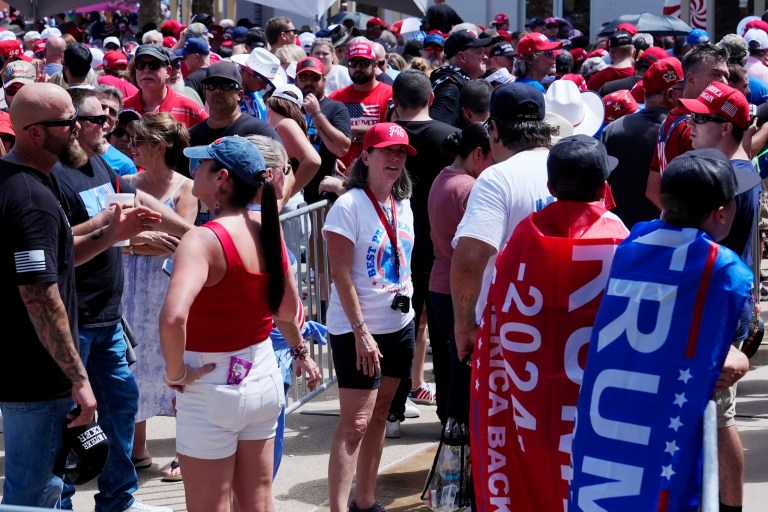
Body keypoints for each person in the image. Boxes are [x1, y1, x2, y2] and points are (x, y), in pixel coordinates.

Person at [569, 149, 757, 511]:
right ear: (721, 214)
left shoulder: (633, 242)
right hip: (662, 431)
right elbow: (725, 358)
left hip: (609, 429)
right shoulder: (723, 269)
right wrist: (740, 359)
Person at [159, 136, 320, 511]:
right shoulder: (266, 227)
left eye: (202, 164)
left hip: (211, 384)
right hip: (261, 376)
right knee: (258, 502)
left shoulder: (202, 240)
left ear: (222, 178)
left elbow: (172, 318)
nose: (194, 169)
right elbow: (287, 309)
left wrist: (176, 373)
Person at [470, 135, 629, 511]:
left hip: (534, 402)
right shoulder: (619, 238)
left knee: (537, 481)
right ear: (604, 187)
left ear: (551, 187)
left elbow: (498, 312)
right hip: (595, 404)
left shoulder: (524, 237)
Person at [54, 87, 172, 512]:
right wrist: (107, 224)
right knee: (69, 418)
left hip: (108, 318)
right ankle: (60, 503)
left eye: (110, 117)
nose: (108, 125)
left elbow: (120, 223)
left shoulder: (103, 165)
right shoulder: (53, 174)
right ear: (73, 125)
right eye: (97, 118)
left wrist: (147, 232)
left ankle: (118, 499)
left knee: (121, 405)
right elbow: (56, 240)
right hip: (73, 319)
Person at [0, 82, 99, 508]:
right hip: (36, 381)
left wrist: (112, 232)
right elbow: (39, 294)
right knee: (33, 497)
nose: (77, 128)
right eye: (67, 122)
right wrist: (78, 379)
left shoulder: (23, 180)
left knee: (41, 492)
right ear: (35, 133)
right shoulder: (29, 197)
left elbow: (56, 260)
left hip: (27, 374)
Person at [323, 123, 417, 512]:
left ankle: (365, 500)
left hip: (399, 326)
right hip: (358, 331)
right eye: (387, 151)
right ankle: (337, 508)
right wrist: (362, 332)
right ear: (365, 157)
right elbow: (340, 275)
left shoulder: (403, 202)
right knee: (355, 424)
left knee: (380, 415)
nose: (395, 158)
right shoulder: (349, 206)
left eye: (401, 153)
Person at [678, 81, 760, 510]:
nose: (689, 125)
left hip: (718, 314)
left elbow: (716, 256)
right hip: (724, 308)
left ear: (726, 127)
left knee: (721, 416)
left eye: (700, 118)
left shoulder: (734, 179)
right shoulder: (734, 171)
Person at [451, 83, 555, 361]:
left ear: (494, 129)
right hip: (561, 320)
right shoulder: (566, 166)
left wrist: (464, 327)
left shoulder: (496, 178)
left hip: (507, 329)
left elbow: (468, 260)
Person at [122, 113, 198, 479]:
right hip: (127, 287)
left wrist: (133, 242)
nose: (131, 147)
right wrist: (138, 243)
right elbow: (116, 235)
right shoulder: (125, 182)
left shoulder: (187, 188)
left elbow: (182, 239)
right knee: (132, 366)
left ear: (159, 147)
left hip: (166, 287)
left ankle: (186, 451)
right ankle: (138, 449)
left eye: (138, 141)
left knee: (173, 364)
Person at [428, 123, 493, 423]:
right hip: (459, 290)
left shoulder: (442, 177)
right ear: (478, 154)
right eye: (492, 158)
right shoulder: (470, 188)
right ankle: (458, 432)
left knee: (447, 363)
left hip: (439, 285)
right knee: (463, 368)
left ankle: (449, 426)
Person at [602, 58, 684, 229]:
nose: (686, 94)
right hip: (668, 229)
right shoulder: (681, 130)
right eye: (682, 89)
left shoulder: (612, 129)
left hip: (621, 230)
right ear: (670, 95)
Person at [646, 44, 729, 207]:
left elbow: (652, 190)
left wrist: (671, 217)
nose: (724, 82)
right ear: (691, 79)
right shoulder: (694, 126)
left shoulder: (672, 117)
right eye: (715, 74)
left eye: (726, 75)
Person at [294, 56, 352, 204]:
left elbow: (342, 149)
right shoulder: (289, 107)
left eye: (315, 78)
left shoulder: (336, 108)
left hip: (321, 194)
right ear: (296, 81)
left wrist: (316, 114)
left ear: (324, 81)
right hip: (292, 192)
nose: (309, 83)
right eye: (303, 77)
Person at [329, 40, 392, 168]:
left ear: (375, 64)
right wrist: (330, 159)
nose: (358, 68)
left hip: (377, 169)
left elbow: (391, 131)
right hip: (341, 171)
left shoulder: (390, 94)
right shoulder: (335, 98)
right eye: (353, 63)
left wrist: (352, 132)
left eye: (364, 63)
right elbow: (325, 135)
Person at [123, 44, 208, 129]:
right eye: (140, 64)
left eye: (153, 65)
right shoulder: (123, 108)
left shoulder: (190, 109)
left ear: (168, 71)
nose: (146, 70)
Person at [266, 83, 321, 200]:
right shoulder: (284, 124)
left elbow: (313, 161)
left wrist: (285, 197)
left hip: (283, 201)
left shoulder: (286, 124)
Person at [429, 30, 493, 128]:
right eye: (479, 52)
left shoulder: (454, 82)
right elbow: (437, 132)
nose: (485, 57)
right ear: (462, 57)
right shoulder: (451, 88)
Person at [95, 84, 138, 176]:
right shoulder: (67, 145)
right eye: (102, 107)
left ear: (115, 124)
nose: (106, 113)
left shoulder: (127, 166)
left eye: (112, 111)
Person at [231, 47, 283, 121]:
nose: (265, 87)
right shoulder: (227, 94)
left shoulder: (256, 94)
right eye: (264, 82)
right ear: (249, 75)